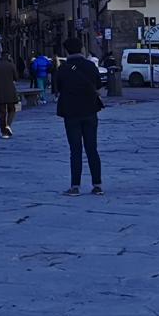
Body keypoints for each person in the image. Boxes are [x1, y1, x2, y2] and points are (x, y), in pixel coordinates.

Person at [54, 33, 104, 195]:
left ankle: (75, 186)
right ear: (81, 49)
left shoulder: (63, 69)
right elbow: (98, 85)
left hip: (71, 113)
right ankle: (97, 185)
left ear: (66, 51)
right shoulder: (91, 66)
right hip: (90, 111)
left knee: (75, 150)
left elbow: (56, 90)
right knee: (92, 149)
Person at [0, 54, 20, 138]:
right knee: (12, 109)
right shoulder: (11, 65)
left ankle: (4, 133)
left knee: (1, 113)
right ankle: (8, 125)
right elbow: (16, 77)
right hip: (10, 91)